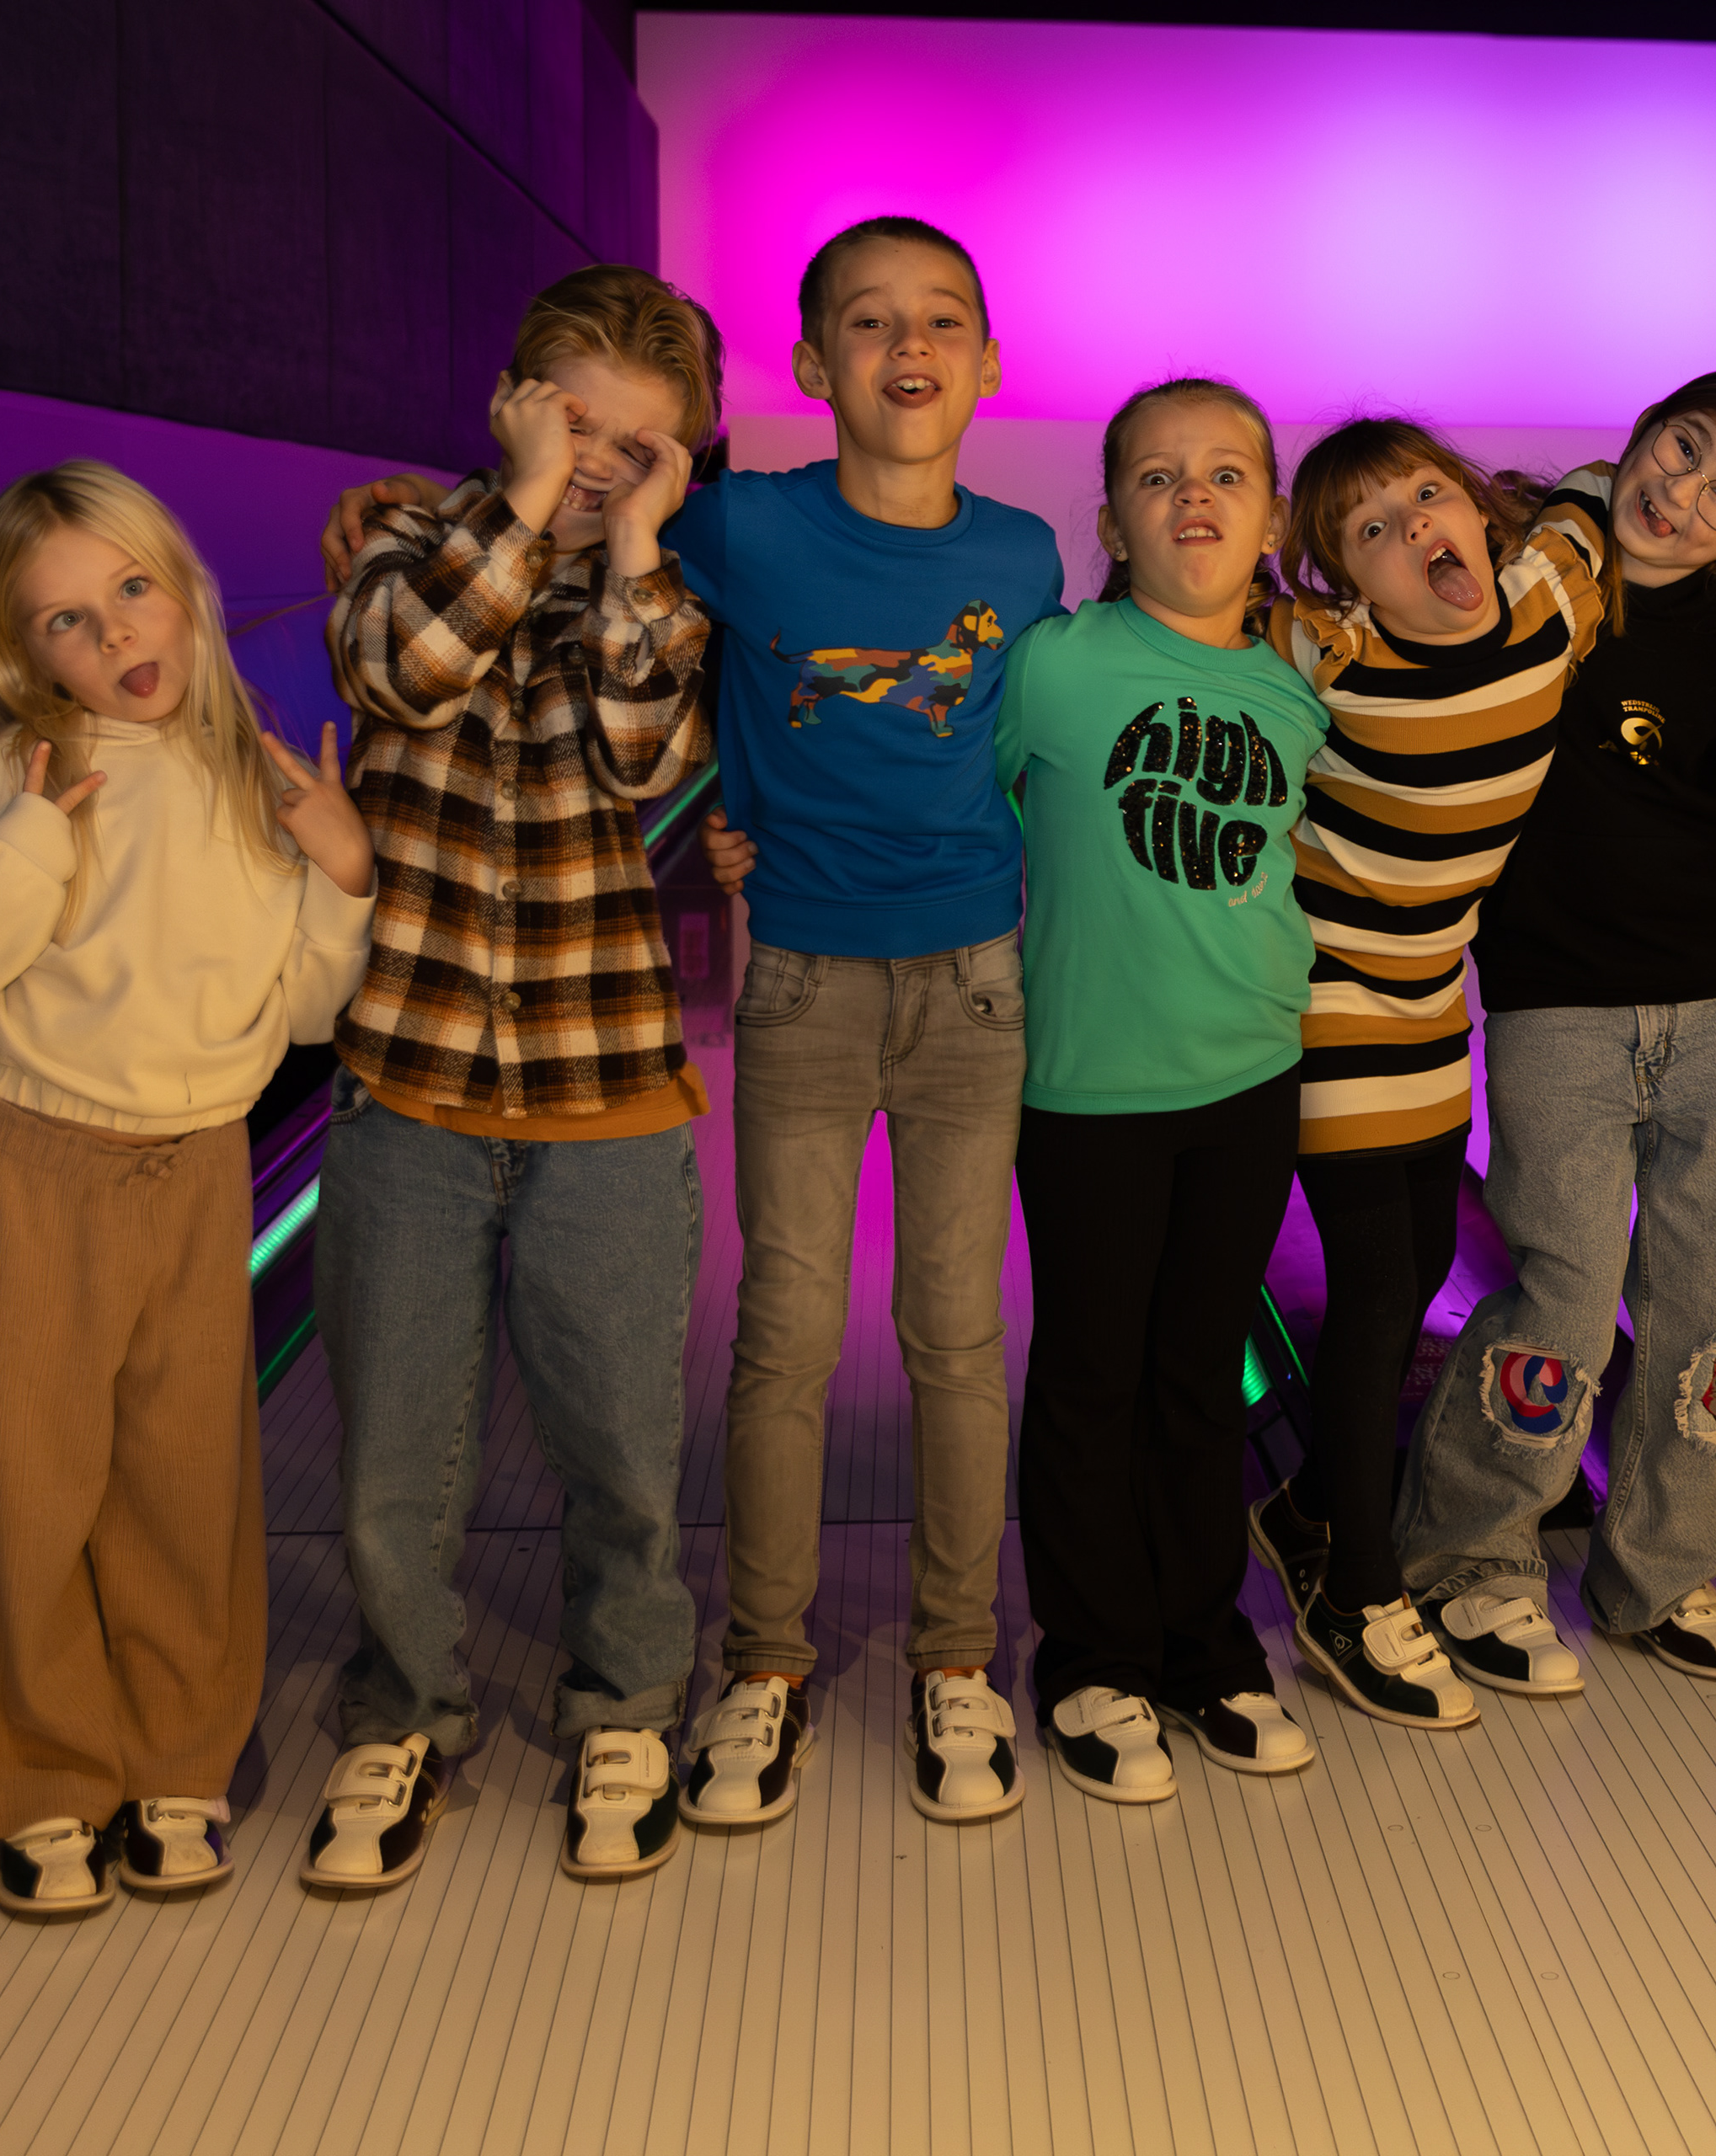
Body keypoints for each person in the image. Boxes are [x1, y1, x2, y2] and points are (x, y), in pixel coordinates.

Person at [334, 218, 1066, 1832]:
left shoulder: (1018, 560)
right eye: (867, 322)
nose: (908, 346)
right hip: (788, 978)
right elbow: (501, 672)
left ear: (988, 363)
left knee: (955, 1336)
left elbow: (983, 740)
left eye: (941, 319)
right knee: (780, 1335)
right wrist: (518, 506)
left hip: (966, 981)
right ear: (811, 369)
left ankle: (952, 1652)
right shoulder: (708, 525)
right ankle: (760, 1660)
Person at [0, 462, 374, 1913]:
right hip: (34, 1161)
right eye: (67, 620)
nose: (116, 631)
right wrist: (30, 846)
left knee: (184, 1483)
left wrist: (339, 875)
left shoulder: (255, 779)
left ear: (186, 588)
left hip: (195, 1166)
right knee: (26, 1483)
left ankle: (176, 1763)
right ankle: (39, 1780)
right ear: (27, 656)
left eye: (133, 588)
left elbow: (308, 1012)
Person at [300, 265, 716, 1888]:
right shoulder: (402, 549)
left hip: (605, 1086)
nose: (600, 460)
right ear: (512, 403)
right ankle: (404, 1709)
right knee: (394, 1454)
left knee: (619, 1445)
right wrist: (524, 508)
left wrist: (627, 548)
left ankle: (628, 1703)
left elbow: (643, 751)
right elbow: (400, 671)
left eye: (640, 444)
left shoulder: (660, 601)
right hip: (409, 1079)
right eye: (574, 422)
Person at [1393, 370, 1716, 1689]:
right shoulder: (1533, 587)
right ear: (1644, 430)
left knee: (1711, 1312)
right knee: (1564, 1298)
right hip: (1559, 1012)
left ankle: (1665, 1571)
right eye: (1682, 447)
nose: (1683, 493)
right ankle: (1474, 1558)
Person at [996, 376, 1336, 1802]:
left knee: (1202, 1375)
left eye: (1225, 473)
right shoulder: (1055, 666)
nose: (1193, 494)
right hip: (1086, 1090)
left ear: (1271, 522)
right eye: (1157, 476)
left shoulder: (1301, 691)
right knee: (1093, 1374)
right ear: (1113, 523)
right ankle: (1092, 1656)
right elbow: (949, 805)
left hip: (1250, 1078)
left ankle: (1206, 1644)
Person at [1240, 419, 1608, 1729]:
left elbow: (1607, 492)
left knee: (1421, 1271)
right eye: (1370, 532)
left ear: (1479, 512)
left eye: (1427, 495)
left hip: (1433, 997)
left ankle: (1306, 1508)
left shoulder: (1548, 598)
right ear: (1343, 581)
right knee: (1381, 1288)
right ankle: (1356, 1592)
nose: (1413, 529)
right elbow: (1198, 625)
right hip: (1325, 995)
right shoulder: (1325, 655)